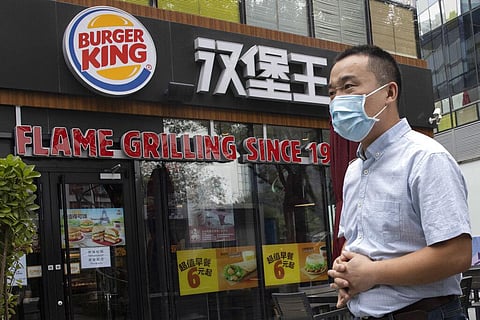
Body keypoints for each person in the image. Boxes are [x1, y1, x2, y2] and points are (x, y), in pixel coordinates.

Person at [326, 44, 472, 320]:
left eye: (348, 87)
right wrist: (347, 269)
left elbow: (457, 254)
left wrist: (372, 273)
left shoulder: (426, 158)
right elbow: (357, 242)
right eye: (332, 93)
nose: (337, 100)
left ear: (389, 93)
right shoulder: (354, 170)